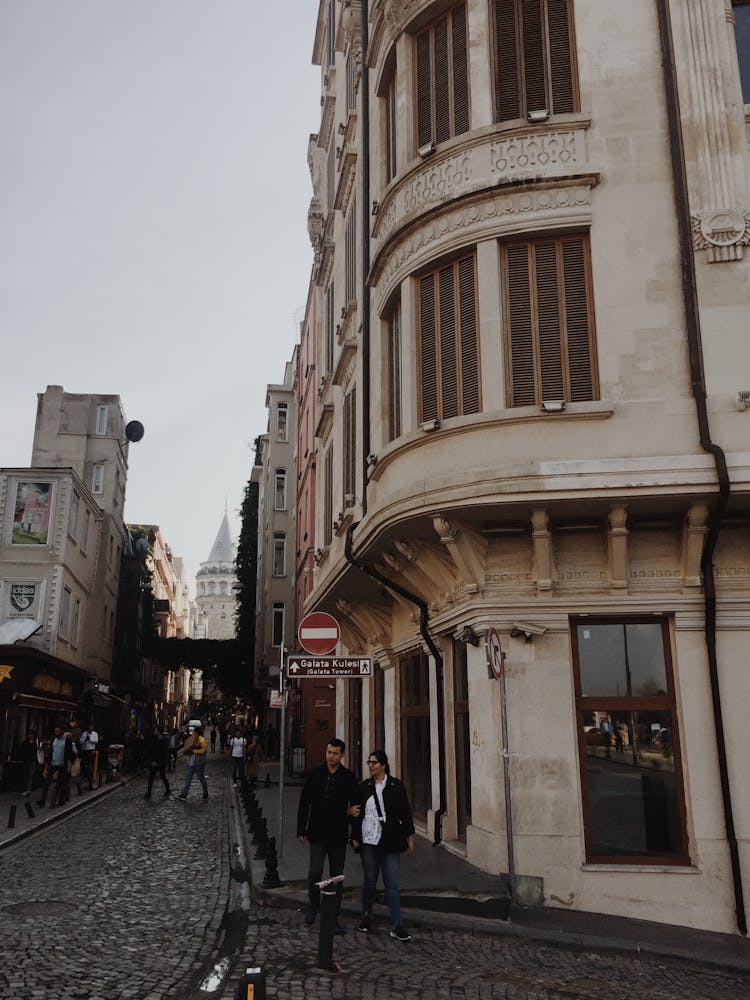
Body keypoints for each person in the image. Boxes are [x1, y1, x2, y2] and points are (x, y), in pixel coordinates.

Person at [351, 749, 415, 942]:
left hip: (391, 839)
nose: (370, 765)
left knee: (392, 883)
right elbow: (355, 813)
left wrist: (410, 836)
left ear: (383, 765)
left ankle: (397, 924)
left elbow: (405, 812)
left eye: (374, 762)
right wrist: (354, 835)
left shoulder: (396, 786)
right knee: (370, 880)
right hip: (369, 840)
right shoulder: (363, 787)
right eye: (369, 762)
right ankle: (366, 916)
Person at [296, 738, 359, 932]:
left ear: (342, 755)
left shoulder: (348, 777)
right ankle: (313, 906)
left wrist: (355, 834)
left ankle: (332, 915)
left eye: (335, 753)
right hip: (316, 832)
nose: (331, 756)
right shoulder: (315, 774)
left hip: (338, 834)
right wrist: (301, 829)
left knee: (336, 876)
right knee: (315, 871)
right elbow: (304, 802)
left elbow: (356, 808)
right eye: (328, 752)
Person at [37, 727, 74, 808]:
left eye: (57, 731)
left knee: (61, 783)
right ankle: (42, 801)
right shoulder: (54, 740)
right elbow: (51, 750)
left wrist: (65, 761)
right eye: (55, 731)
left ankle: (61, 800)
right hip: (53, 763)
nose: (56, 733)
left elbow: (69, 752)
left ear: (61, 732)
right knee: (47, 782)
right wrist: (49, 761)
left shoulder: (66, 741)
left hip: (62, 765)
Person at [176, 725, 208, 801]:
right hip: (191, 763)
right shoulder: (193, 739)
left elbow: (203, 751)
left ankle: (205, 793)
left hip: (199, 763)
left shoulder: (202, 740)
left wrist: (193, 751)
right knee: (187, 778)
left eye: (194, 731)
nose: (193, 733)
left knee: (201, 779)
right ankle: (184, 794)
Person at [144, 729, 171, 798]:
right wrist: (152, 761)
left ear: (159, 732)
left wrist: (160, 762)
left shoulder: (164, 741)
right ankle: (148, 792)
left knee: (163, 777)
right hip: (154, 762)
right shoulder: (154, 739)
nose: (155, 732)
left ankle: (168, 790)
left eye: (156, 731)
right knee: (151, 778)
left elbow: (163, 753)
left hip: (161, 762)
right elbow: (151, 750)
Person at [18, 730, 39, 796]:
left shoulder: (36, 743)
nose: (30, 736)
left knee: (30, 775)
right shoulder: (25, 743)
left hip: (33, 761)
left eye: (32, 735)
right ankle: (24, 788)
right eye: (29, 735)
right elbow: (21, 750)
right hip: (26, 761)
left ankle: (28, 789)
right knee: (25, 775)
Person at [78, 723, 99, 790]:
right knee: (85, 764)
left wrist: (90, 739)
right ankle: (86, 775)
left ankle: (90, 778)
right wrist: (85, 739)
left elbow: (96, 741)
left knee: (90, 765)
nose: (90, 728)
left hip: (91, 750)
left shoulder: (95, 734)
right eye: (89, 727)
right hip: (84, 751)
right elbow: (80, 741)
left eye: (91, 727)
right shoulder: (84, 734)